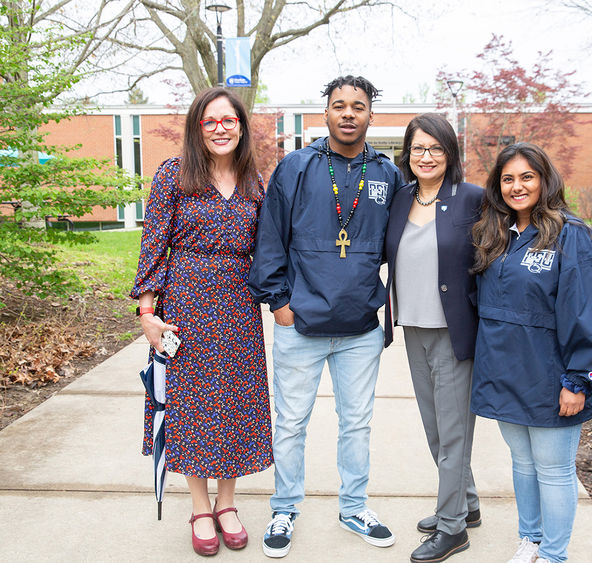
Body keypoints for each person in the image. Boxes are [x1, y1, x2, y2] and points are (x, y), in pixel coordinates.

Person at [248, 75, 402, 558]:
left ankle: (355, 506)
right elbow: (270, 237)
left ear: (371, 114)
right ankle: (285, 507)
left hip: (359, 327)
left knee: (356, 423)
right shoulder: (297, 167)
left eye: (359, 106)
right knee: (291, 423)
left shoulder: (387, 174)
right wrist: (278, 303)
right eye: (340, 106)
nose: (349, 114)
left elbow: (404, 244)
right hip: (302, 321)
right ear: (326, 114)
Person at [131, 87, 273, 556]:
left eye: (228, 121)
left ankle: (227, 503)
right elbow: (153, 245)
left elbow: (272, 247)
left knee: (232, 403)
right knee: (190, 406)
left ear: (241, 127)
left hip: (237, 306)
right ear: (197, 127)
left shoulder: (255, 180)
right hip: (186, 304)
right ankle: (198, 505)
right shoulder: (175, 174)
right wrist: (148, 314)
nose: (219, 129)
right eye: (209, 121)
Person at [470, 142, 592, 563]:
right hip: (505, 372)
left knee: (554, 470)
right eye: (508, 179)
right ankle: (531, 540)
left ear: (544, 180)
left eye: (526, 177)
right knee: (522, 463)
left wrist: (578, 379)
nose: (517, 187)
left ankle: (555, 554)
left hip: (552, 372)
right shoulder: (495, 234)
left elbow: (589, 312)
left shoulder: (571, 235)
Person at [383, 113, 483, 563]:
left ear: (450, 153)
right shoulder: (399, 197)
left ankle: (452, 527)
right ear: (408, 154)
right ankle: (467, 503)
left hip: (454, 331)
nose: (426, 157)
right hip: (413, 326)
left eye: (436, 149)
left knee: (454, 431)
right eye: (418, 149)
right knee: (435, 429)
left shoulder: (472, 200)